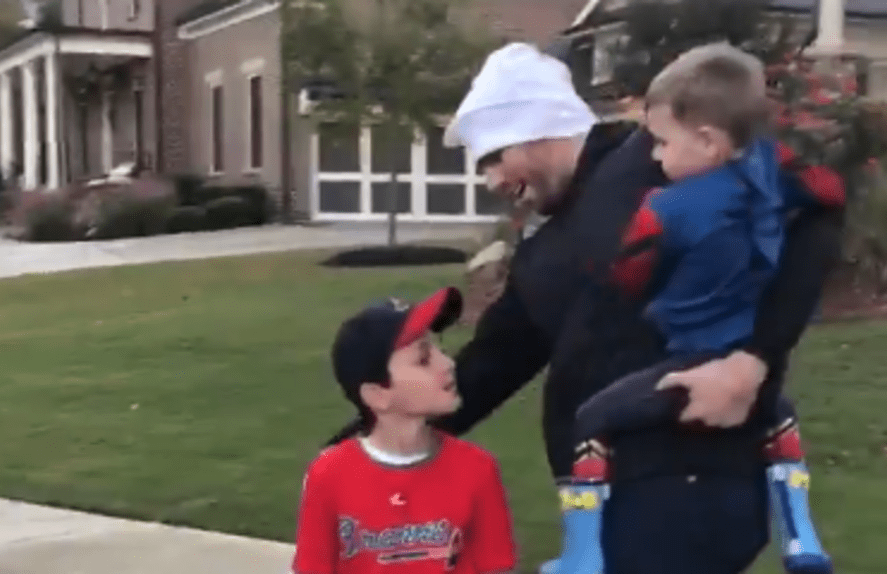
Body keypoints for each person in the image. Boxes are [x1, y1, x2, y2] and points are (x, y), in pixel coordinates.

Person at [324, 43, 844, 574]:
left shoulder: (658, 152)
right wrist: (342, 458)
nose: (491, 182)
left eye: (493, 158)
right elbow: (485, 372)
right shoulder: (542, 257)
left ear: (532, 129)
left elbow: (815, 217)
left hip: (695, 483)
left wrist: (752, 362)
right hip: (618, 506)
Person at [560, 44, 834, 574]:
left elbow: (625, 275)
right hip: (748, 349)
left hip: (686, 355)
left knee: (592, 419)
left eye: (662, 142)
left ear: (707, 140)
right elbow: (829, 191)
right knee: (776, 415)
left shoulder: (667, 208)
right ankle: (801, 536)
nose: (656, 158)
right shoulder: (772, 177)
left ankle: (581, 554)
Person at [293, 287, 519, 574]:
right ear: (378, 396)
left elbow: (495, 566)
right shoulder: (328, 476)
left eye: (440, 350)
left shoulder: (478, 469)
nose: (448, 364)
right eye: (424, 360)